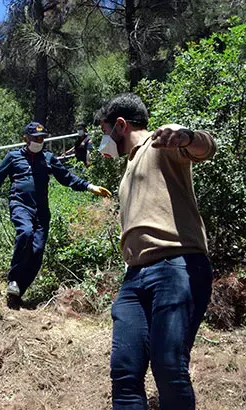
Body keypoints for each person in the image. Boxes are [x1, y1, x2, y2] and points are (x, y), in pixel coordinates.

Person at [97, 93, 216, 410]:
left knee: (168, 366)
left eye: (105, 131)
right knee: (124, 372)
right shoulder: (129, 167)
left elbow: (205, 146)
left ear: (120, 125)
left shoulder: (161, 142)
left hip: (177, 266)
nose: (103, 141)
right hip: (134, 278)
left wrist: (187, 137)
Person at [0, 122, 112, 306]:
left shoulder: (48, 158)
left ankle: (17, 292)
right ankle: (14, 279)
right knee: (25, 233)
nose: (39, 141)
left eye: (42, 138)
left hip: (41, 210)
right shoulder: (13, 157)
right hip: (20, 205)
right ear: (25, 139)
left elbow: (67, 177)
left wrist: (90, 187)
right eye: (35, 138)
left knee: (37, 250)